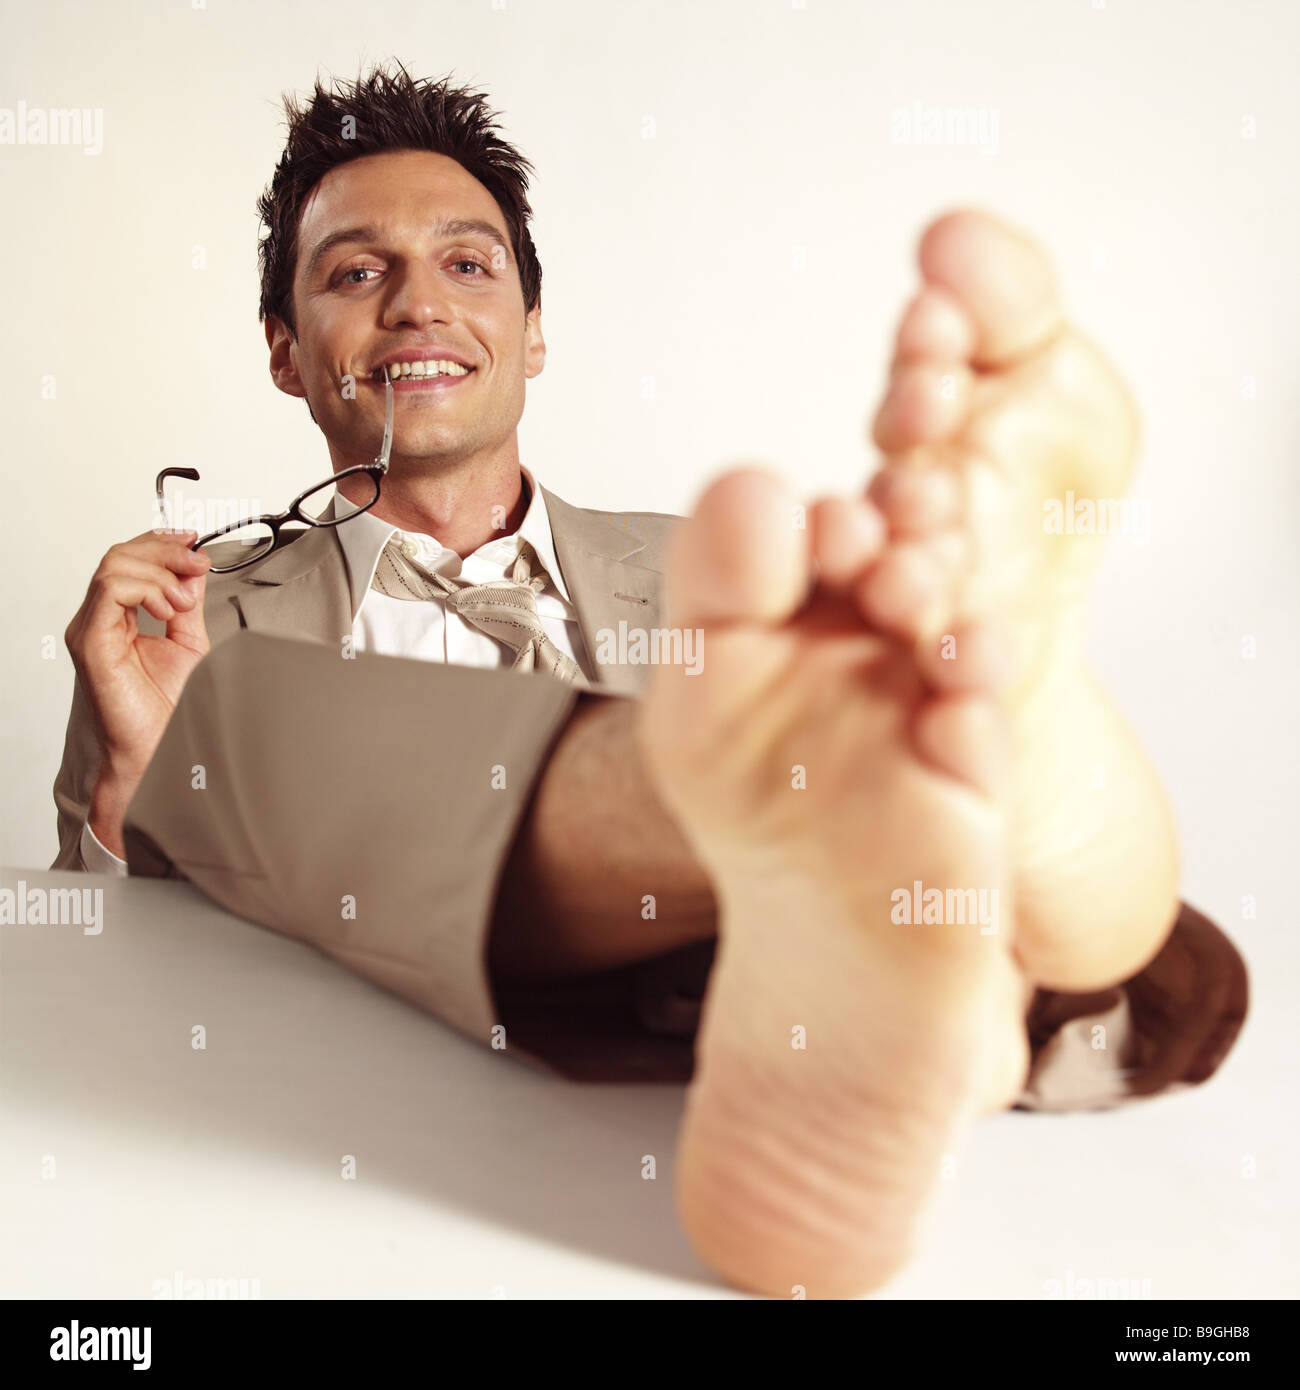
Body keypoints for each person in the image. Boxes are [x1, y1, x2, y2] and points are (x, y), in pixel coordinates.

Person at [51, 62, 1247, 1298]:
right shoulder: (196, 622)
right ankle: (845, 830)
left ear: (533, 329)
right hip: (410, 978)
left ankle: (927, 867)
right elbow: (86, 973)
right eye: (357, 273)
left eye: (469, 266)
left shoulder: (712, 570)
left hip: (690, 963)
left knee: (1158, 961)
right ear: (287, 355)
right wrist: (137, 785)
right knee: (252, 722)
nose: (419, 305)